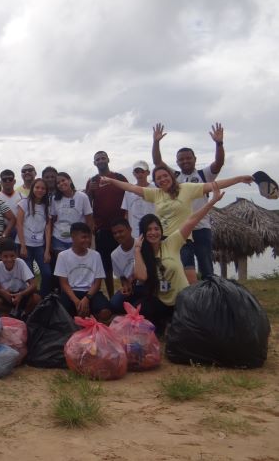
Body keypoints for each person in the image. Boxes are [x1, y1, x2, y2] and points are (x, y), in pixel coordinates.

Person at [100, 167, 253, 283]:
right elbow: (131, 188)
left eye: (165, 176)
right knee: (164, 279)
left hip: (182, 241)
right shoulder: (156, 193)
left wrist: (239, 179)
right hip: (161, 243)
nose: (162, 180)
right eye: (158, 178)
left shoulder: (186, 189)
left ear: (172, 176)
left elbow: (214, 184)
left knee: (190, 279)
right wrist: (112, 181)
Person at [133, 184, 225, 333]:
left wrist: (212, 201)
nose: (153, 233)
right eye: (148, 230)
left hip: (181, 300)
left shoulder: (171, 243)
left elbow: (191, 221)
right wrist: (137, 250)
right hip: (161, 302)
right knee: (141, 307)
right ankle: (164, 323)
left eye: (156, 229)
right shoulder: (142, 253)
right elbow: (142, 276)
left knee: (193, 329)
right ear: (143, 233)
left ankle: (172, 322)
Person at [152, 122, 225, 281]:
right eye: (181, 159)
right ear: (177, 162)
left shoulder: (204, 175)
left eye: (188, 158)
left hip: (201, 228)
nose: (185, 161)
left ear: (194, 159)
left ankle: (210, 296)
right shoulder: (174, 177)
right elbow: (158, 163)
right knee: (183, 267)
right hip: (181, 231)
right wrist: (156, 142)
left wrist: (219, 144)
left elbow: (218, 163)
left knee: (206, 267)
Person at [85, 151, 127, 297]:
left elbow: (129, 197)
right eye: (97, 159)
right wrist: (90, 191)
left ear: (108, 159)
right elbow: (87, 203)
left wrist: (127, 220)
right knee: (106, 266)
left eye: (103, 158)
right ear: (94, 163)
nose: (101, 161)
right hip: (102, 229)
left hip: (121, 228)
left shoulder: (119, 178)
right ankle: (111, 296)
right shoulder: (92, 181)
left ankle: (127, 293)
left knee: (124, 262)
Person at [55, 222, 112, 322]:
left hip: (91, 293)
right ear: (73, 237)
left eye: (89, 237)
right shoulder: (63, 256)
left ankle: (94, 327)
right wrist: (76, 301)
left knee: (106, 312)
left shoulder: (96, 255)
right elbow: (64, 283)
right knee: (59, 315)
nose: (87, 240)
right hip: (71, 293)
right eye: (84, 237)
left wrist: (87, 298)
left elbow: (97, 282)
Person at [47, 172, 94, 273]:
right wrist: (50, 239)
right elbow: (52, 220)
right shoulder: (55, 199)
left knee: (77, 266)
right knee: (62, 268)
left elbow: (89, 220)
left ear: (70, 180)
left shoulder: (82, 197)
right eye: (58, 182)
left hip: (78, 239)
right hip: (59, 238)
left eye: (63, 180)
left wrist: (88, 238)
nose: (61, 184)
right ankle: (62, 289)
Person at [15, 178, 52, 295]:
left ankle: (42, 297)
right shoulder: (24, 203)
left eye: (43, 188)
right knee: (29, 276)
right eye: (37, 187)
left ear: (46, 191)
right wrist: (23, 246)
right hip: (24, 244)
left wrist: (47, 251)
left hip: (39, 246)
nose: (40, 190)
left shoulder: (47, 206)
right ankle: (30, 299)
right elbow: (19, 224)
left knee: (47, 273)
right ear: (32, 189)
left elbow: (48, 228)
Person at [0, 238, 40, 318]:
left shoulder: (20, 263)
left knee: (36, 298)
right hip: (6, 297)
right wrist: (2, 292)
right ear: (0, 256)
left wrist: (21, 294)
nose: (9, 259)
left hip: (21, 294)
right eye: (5, 256)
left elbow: (33, 284)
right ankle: (10, 314)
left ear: (16, 255)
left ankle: (24, 315)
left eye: (12, 256)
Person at [108, 219, 146, 314]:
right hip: (132, 288)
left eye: (121, 231)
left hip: (146, 285)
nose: (118, 235)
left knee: (138, 308)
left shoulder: (141, 244)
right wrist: (125, 286)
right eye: (115, 233)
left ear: (130, 229)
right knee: (113, 304)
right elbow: (122, 277)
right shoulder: (114, 254)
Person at [121, 161, 156, 237]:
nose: (139, 174)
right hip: (134, 232)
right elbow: (126, 214)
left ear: (148, 172)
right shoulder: (128, 191)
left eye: (142, 171)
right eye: (137, 172)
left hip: (152, 231)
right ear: (133, 173)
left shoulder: (155, 189)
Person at [0, 169, 23, 239]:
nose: (7, 181)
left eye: (10, 179)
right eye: (5, 179)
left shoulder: (22, 196)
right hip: (2, 230)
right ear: (1, 182)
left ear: (14, 181)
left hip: (19, 230)